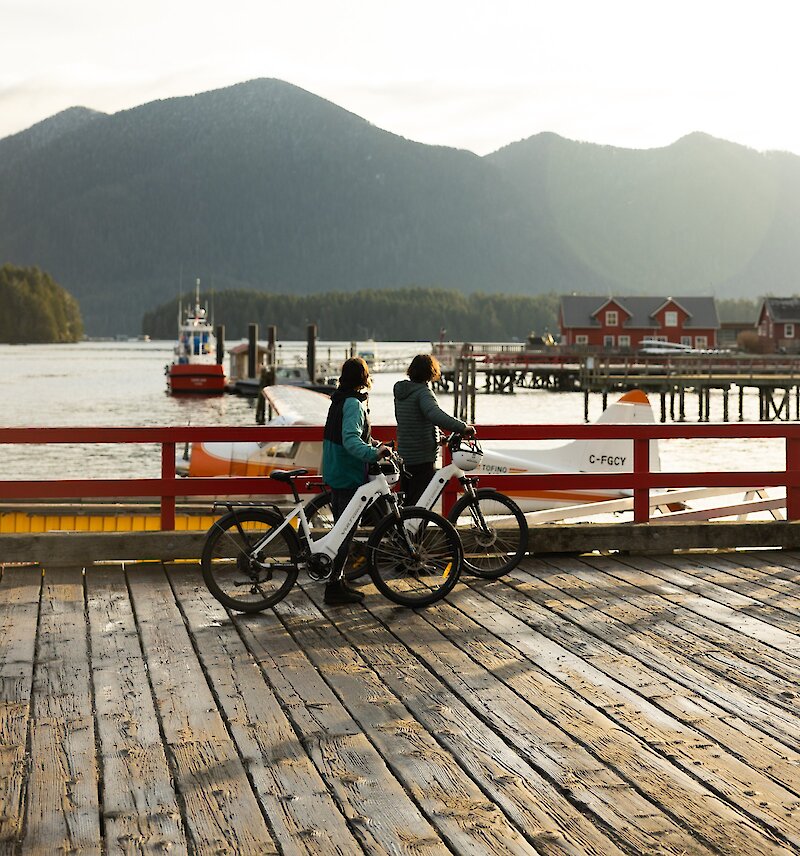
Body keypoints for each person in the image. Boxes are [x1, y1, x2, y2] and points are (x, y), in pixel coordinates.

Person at [322, 356, 389, 605]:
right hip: (347, 472)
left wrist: (375, 445)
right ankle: (333, 587)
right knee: (345, 532)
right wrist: (373, 453)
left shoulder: (339, 400)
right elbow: (351, 440)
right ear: (364, 377)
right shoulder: (353, 403)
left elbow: (351, 435)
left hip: (335, 468)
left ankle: (336, 581)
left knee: (342, 530)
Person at [393, 354, 474, 506]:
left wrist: (438, 436)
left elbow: (416, 419)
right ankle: (415, 530)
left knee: (410, 501)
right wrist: (462, 427)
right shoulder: (422, 392)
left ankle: (404, 529)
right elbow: (434, 414)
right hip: (422, 456)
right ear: (431, 372)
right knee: (422, 505)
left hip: (405, 454)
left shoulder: (402, 392)